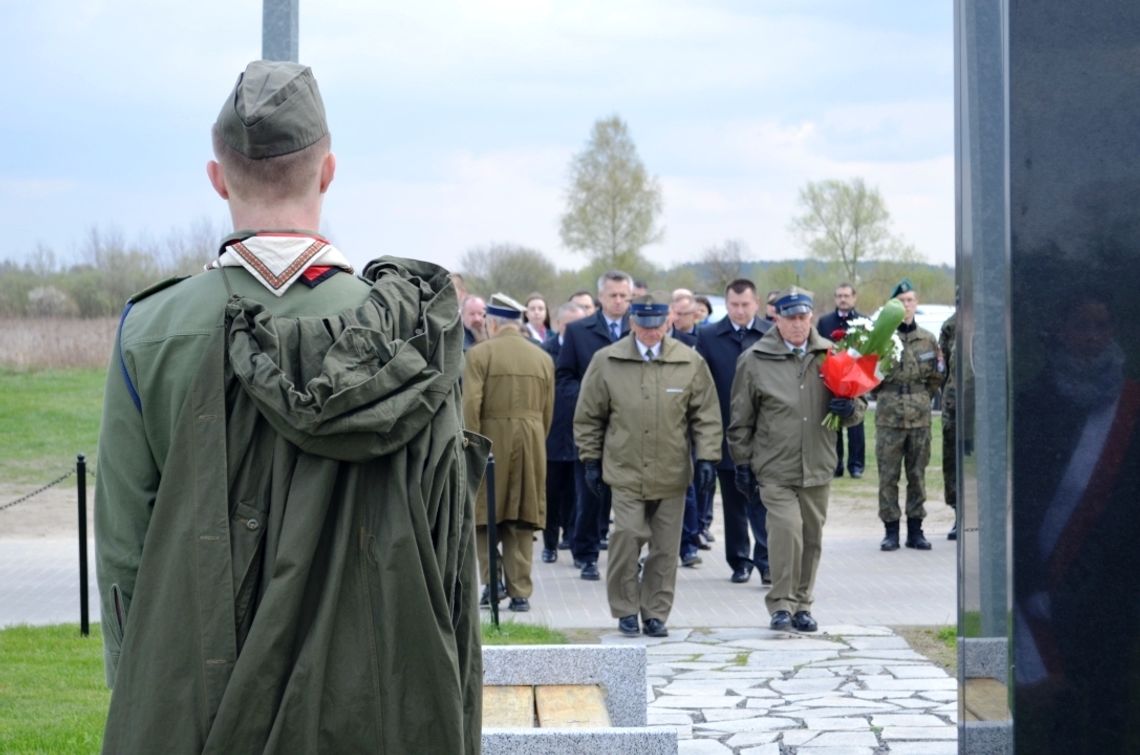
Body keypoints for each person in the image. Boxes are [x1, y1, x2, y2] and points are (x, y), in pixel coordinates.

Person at [94, 61, 486, 753]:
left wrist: (142, 688)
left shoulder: (148, 331)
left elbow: (127, 554)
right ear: (328, 172)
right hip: (377, 709)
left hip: (193, 709)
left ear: (218, 178)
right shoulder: (411, 335)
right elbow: (448, 557)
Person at [574, 293, 721, 637]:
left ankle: (655, 612)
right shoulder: (606, 361)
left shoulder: (689, 361)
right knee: (626, 536)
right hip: (625, 470)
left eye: (657, 326)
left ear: (668, 322)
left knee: (665, 548)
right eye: (644, 326)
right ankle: (626, 609)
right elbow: (588, 417)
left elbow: (707, 417)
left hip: (671, 474)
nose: (651, 333)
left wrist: (707, 458)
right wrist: (590, 459)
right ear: (632, 323)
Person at [729, 286, 864, 633]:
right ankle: (780, 604)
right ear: (776, 318)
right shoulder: (755, 359)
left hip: (817, 463)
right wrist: (741, 463)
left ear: (811, 317)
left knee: (812, 536)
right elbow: (741, 418)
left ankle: (803, 603)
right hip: (775, 466)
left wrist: (850, 409)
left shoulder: (830, 355)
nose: (798, 325)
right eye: (790, 318)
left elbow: (857, 406)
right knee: (786, 532)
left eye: (803, 318)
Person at [464, 293, 555, 613]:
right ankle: (520, 592)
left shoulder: (478, 355)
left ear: (491, 322)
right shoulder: (542, 358)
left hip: (489, 442)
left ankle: (492, 584)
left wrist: (472, 449)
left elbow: (470, 408)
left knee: (485, 517)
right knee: (522, 518)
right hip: (531, 444)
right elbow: (547, 413)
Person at [557, 270, 633, 580]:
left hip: (631, 428)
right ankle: (586, 553)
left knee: (629, 496)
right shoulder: (579, 332)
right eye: (613, 295)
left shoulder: (638, 329)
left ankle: (629, 555)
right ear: (600, 297)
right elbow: (564, 377)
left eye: (624, 296)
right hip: (592, 428)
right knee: (588, 494)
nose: (618, 301)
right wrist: (592, 400)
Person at [697, 279, 772, 585]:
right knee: (734, 500)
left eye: (745, 305)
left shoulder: (771, 333)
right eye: (733, 305)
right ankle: (739, 560)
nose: (739, 311)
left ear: (756, 303)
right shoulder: (709, 335)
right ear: (725, 305)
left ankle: (767, 560)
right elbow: (702, 386)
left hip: (767, 433)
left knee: (766, 500)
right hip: (727, 430)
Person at [875, 278, 944, 551]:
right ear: (894, 305)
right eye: (901, 301)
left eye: (910, 301)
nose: (906, 306)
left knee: (917, 474)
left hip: (919, 418)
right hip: (889, 417)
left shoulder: (928, 339)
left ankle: (916, 531)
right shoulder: (882, 338)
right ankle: (890, 531)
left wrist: (920, 397)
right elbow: (870, 376)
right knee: (888, 476)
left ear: (917, 304)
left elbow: (937, 375)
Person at [541, 301, 587, 562]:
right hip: (553, 433)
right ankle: (550, 543)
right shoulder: (545, 352)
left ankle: (573, 540)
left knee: (577, 495)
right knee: (551, 493)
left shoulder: (586, 351)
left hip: (580, 433)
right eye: (570, 325)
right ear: (559, 324)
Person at [815, 282, 867, 478]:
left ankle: (856, 465)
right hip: (833, 378)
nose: (843, 299)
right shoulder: (825, 322)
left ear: (854, 298)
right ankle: (835, 463)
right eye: (839, 296)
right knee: (834, 420)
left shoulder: (864, 321)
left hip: (857, 378)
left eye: (846, 295)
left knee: (856, 423)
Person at [939, 311, 958, 540]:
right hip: (954, 405)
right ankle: (958, 514)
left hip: (984, 407)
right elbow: (940, 370)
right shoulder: (951, 325)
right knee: (952, 459)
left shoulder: (992, 319)